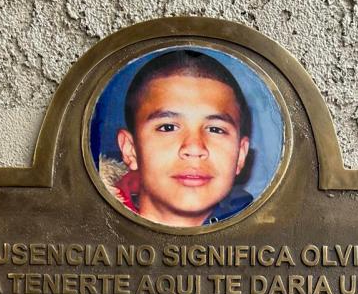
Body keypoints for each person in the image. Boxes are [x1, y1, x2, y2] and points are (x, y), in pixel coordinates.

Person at [106, 50, 253, 227]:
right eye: (168, 127)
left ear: (241, 154)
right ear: (130, 149)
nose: (194, 148)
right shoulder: (89, 227)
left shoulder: (264, 237)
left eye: (215, 129)